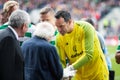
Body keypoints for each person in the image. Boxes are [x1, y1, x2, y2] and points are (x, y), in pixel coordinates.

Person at [55, 10, 109, 80]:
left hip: (97, 74)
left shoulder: (85, 28)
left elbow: (88, 55)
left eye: (61, 26)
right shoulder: (58, 38)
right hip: (80, 77)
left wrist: (70, 68)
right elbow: (61, 61)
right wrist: (63, 73)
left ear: (70, 21)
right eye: (57, 26)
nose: (59, 29)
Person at [0, 9, 31, 80]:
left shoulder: (5, 34)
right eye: (28, 26)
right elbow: (6, 70)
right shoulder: (9, 39)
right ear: (24, 26)